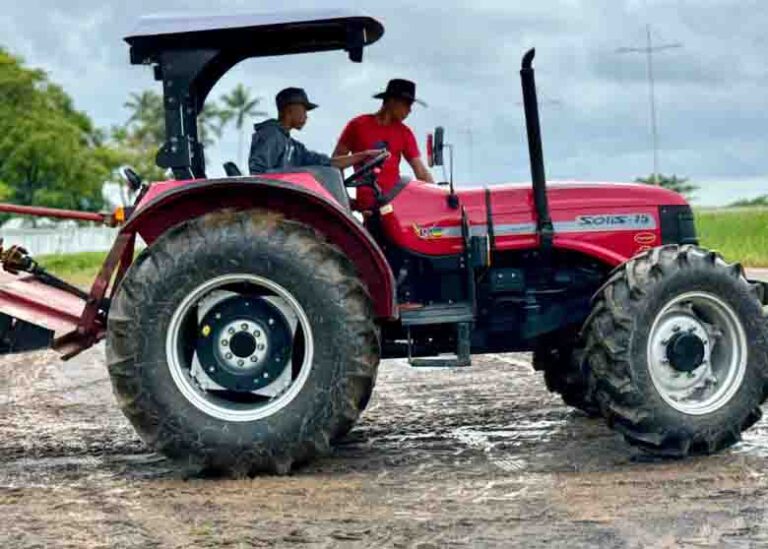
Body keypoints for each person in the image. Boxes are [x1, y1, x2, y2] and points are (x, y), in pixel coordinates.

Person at [333, 79, 435, 209]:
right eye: (407, 104)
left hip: (394, 204)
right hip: (366, 207)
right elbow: (335, 163)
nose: (410, 110)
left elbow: (420, 171)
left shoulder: (405, 133)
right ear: (392, 101)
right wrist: (345, 198)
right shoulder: (357, 125)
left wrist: (441, 196)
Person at [249, 87, 382, 174]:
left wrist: (364, 155)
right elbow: (258, 173)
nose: (306, 116)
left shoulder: (295, 147)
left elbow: (328, 163)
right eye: (304, 110)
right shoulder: (270, 135)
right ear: (290, 110)